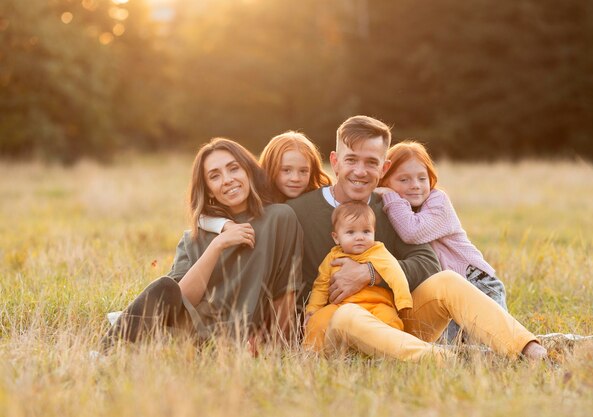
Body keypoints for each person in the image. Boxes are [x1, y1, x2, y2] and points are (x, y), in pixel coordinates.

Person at [287, 115, 547, 361]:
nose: (360, 171)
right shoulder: (300, 212)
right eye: (351, 160)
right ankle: (444, 360)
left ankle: (530, 351)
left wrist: (371, 272)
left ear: (384, 167)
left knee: (447, 281)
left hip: (392, 321)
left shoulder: (390, 207)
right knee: (348, 315)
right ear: (334, 161)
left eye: (371, 162)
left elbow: (428, 264)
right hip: (334, 329)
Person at [100, 138, 303, 352]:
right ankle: (106, 351)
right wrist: (217, 246)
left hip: (233, 341)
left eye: (234, 169)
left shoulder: (279, 218)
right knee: (165, 285)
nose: (227, 180)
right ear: (208, 190)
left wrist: (277, 346)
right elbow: (179, 298)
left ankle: (129, 333)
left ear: (248, 172)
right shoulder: (193, 238)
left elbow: (286, 290)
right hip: (188, 333)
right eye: (215, 176)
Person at [375, 140, 507, 342]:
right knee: (452, 349)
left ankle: (559, 343)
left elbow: (412, 231)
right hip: (445, 295)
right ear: (385, 180)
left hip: (475, 284)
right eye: (404, 180)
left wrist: (391, 196)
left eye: (422, 178)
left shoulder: (438, 202)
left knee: (497, 345)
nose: (416, 186)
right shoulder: (397, 210)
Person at [303, 201, 415, 353]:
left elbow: (396, 274)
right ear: (336, 238)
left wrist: (404, 302)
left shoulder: (378, 252)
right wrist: (313, 309)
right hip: (340, 307)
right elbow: (321, 285)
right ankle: (312, 354)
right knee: (318, 321)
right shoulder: (332, 258)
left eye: (366, 232)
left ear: (374, 232)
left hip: (376, 305)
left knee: (390, 322)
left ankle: (392, 352)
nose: (359, 237)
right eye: (350, 232)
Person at [198, 131, 332, 233]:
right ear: (270, 167)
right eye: (286, 170)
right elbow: (200, 219)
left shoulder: (317, 199)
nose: (295, 178)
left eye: (303, 171)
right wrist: (224, 225)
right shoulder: (258, 197)